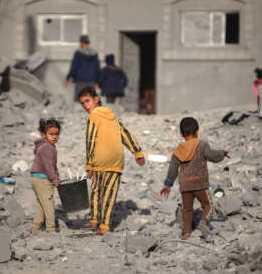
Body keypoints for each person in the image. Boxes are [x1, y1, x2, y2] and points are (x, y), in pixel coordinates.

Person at [78, 86, 145, 235]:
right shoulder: (113, 115)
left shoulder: (93, 117)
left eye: (87, 101)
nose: (85, 106)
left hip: (99, 161)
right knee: (109, 194)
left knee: (96, 191)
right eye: (82, 103)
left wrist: (88, 164)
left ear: (96, 99)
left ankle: (97, 222)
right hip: (116, 163)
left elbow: (90, 140)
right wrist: (137, 151)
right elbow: (124, 133)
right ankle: (102, 224)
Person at [159, 117, 228, 239]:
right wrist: (222, 153)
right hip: (200, 183)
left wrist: (167, 185)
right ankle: (203, 222)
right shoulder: (202, 145)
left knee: (186, 210)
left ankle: (186, 233)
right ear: (197, 131)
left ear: (181, 133)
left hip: (185, 185)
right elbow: (212, 156)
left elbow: (173, 169)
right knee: (208, 205)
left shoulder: (178, 151)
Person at [29, 119, 61, 233]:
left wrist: (55, 176)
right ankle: (51, 228)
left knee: (41, 203)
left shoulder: (43, 145)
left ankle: (36, 225)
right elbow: (48, 167)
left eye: (57, 134)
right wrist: (55, 178)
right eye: (51, 134)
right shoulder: (47, 148)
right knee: (48, 203)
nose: (54, 137)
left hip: (35, 178)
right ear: (44, 134)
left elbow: (50, 165)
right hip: (42, 179)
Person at [65, 35, 100, 102]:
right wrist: (98, 82)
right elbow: (97, 68)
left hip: (80, 81)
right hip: (92, 81)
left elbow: (74, 67)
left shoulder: (78, 53)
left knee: (79, 101)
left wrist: (68, 78)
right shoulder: (95, 54)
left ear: (81, 42)